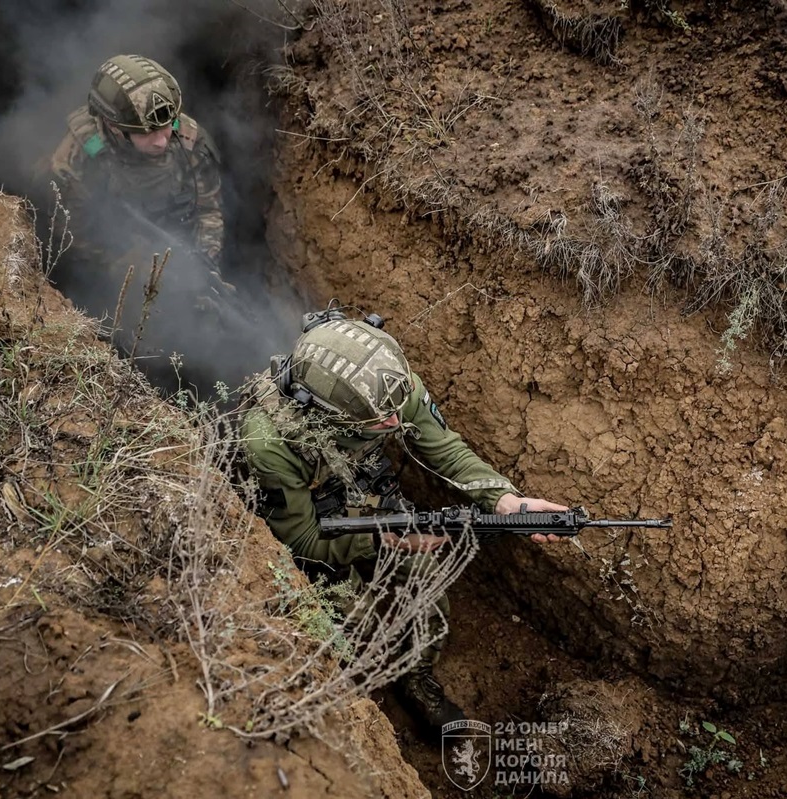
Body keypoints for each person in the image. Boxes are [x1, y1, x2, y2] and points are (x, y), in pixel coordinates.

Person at [242, 307, 567, 731]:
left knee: (427, 581)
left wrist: (504, 500)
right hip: (310, 523)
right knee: (353, 621)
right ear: (326, 414)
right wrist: (383, 541)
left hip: (363, 489)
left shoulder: (387, 386)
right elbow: (300, 541)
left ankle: (417, 677)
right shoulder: (269, 442)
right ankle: (370, 679)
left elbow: (446, 450)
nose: (397, 422)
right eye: (382, 421)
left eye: (398, 409)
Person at [48, 53, 224, 268]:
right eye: (146, 133)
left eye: (167, 126)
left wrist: (205, 261)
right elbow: (69, 233)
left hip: (174, 246)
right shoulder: (80, 155)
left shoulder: (190, 142)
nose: (161, 141)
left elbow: (209, 211)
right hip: (108, 254)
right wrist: (118, 265)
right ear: (114, 127)